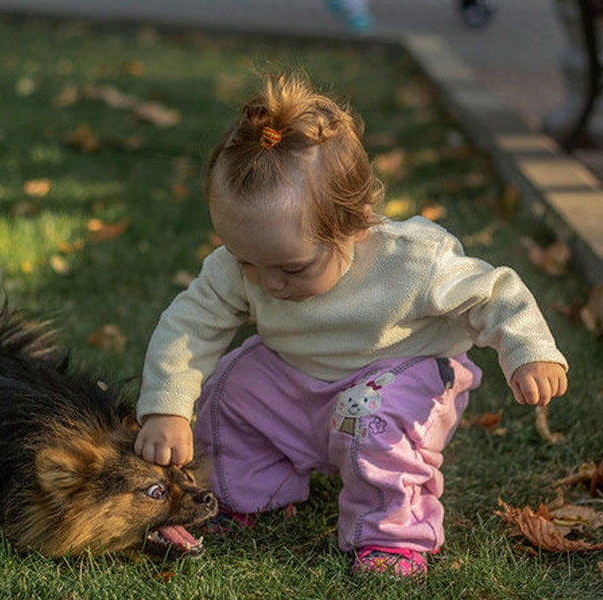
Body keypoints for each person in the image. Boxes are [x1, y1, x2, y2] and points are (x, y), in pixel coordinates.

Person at [133, 73, 568, 577]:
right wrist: (166, 408)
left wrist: (528, 351)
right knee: (230, 388)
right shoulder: (243, 265)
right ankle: (251, 494)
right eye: (247, 262)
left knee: (369, 416)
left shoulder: (412, 261)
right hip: (298, 377)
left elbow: (494, 293)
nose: (266, 283)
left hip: (403, 376)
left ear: (355, 223)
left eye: (292, 268)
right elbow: (191, 325)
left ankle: (393, 534)